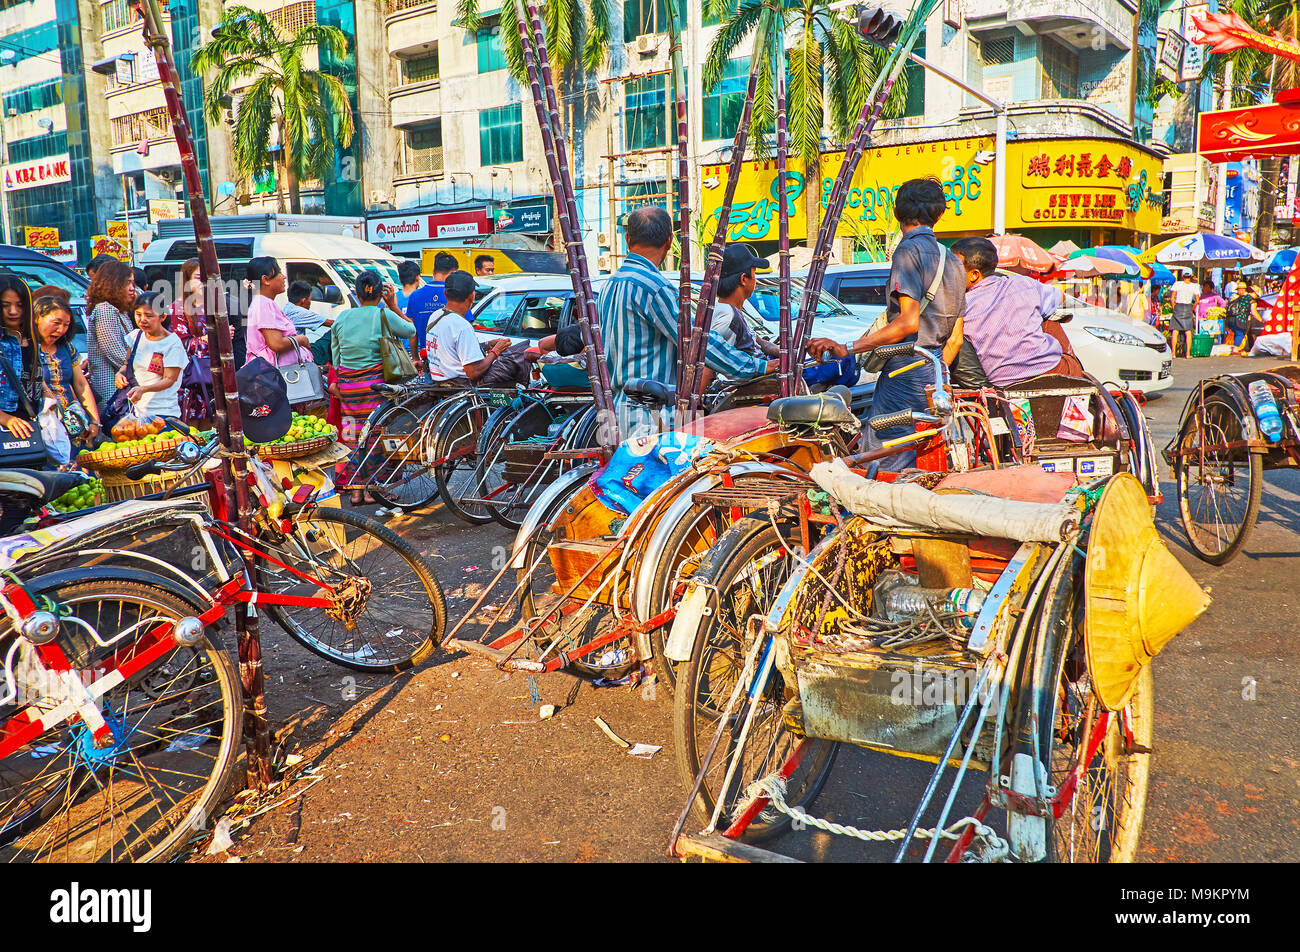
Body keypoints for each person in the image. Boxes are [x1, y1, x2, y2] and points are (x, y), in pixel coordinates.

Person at [807, 178, 965, 470]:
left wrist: (848, 347)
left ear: (897, 213)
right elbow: (956, 334)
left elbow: (907, 322)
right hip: (936, 370)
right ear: (940, 214)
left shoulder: (908, 251)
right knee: (922, 455)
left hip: (906, 369)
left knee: (885, 459)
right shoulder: (953, 260)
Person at [598, 205, 774, 431]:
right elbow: (699, 343)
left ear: (628, 239)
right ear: (670, 241)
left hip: (616, 412)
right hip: (651, 417)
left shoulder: (609, 286)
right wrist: (757, 367)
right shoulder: (655, 288)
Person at [331, 270, 416, 505]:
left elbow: (336, 358)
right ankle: (375, 490)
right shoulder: (384, 315)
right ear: (381, 293)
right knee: (378, 435)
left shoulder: (342, 318)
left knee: (353, 435)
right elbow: (411, 331)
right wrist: (395, 307)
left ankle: (356, 490)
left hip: (349, 388)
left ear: (357, 294)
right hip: (375, 387)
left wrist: (340, 381)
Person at [950, 237, 1083, 386]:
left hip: (1004, 383)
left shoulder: (959, 305)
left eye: (953, 268)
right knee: (1048, 316)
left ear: (975, 274)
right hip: (1051, 371)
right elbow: (1062, 298)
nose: (948, 273)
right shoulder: (1024, 284)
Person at [426, 270, 535, 388]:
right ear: (472, 296)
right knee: (522, 351)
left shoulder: (435, 316)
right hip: (464, 384)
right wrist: (496, 351)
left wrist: (487, 345)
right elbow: (473, 372)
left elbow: (453, 349)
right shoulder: (461, 326)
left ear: (445, 294)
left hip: (440, 379)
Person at [32, 295, 100, 460]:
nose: (61, 329)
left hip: (71, 426)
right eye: (56, 323)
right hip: (43, 428)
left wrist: (94, 420)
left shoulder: (66, 347)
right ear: (36, 318)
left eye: (66, 325)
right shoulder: (26, 349)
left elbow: (80, 384)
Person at [116, 292, 186, 421]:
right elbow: (127, 365)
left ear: (163, 316)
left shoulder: (172, 344)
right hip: (136, 412)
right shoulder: (135, 337)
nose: (142, 320)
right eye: (138, 315)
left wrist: (143, 389)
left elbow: (169, 379)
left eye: (149, 316)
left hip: (164, 413)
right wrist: (120, 374)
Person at [244, 256, 314, 371]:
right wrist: (300, 339)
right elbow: (276, 344)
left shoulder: (264, 302)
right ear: (266, 279)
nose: (284, 277)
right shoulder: (263, 303)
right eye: (279, 273)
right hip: (274, 374)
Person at [86, 259, 139, 407]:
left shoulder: (119, 311)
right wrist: (140, 368)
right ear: (113, 284)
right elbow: (113, 350)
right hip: (111, 388)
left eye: (133, 283)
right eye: (127, 283)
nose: (132, 288)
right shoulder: (105, 309)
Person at [712, 244, 779, 359]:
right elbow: (711, 361)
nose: (755, 279)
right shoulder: (728, 317)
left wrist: (787, 354)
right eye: (754, 273)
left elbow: (762, 343)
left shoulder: (732, 312)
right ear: (743, 279)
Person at [0, 276, 39, 441]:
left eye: (20, 305)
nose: (13, 311)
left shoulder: (32, 339)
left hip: (27, 429)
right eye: (5, 306)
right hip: (6, 429)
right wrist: (6, 419)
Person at [404, 251, 456, 355]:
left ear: (433, 271)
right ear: (453, 273)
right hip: (452, 359)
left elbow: (412, 332)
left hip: (427, 359)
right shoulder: (456, 294)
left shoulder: (415, 296)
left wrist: (415, 358)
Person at [1168, 270, 1199, 357]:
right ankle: (1188, 354)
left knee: (1175, 330)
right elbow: (1197, 301)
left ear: (1182, 276)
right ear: (1191, 276)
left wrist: (1174, 307)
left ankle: (1173, 353)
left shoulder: (1177, 284)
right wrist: (1191, 308)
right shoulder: (1194, 286)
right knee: (1188, 331)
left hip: (1178, 306)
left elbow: (1172, 298)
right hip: (1188, 306)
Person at [1225, 282, 1256, 352]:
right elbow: (1253, 312)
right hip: (1240, 320)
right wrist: (1261, 320)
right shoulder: (1249, 298)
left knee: (1237, 333)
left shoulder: (1233, 297)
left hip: (1230, 319)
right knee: (1240, 334)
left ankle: (1236, 348)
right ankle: (1235, 349)